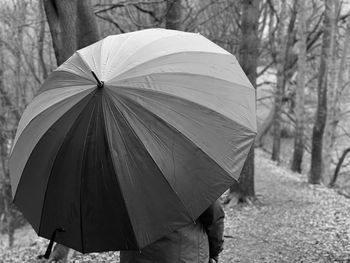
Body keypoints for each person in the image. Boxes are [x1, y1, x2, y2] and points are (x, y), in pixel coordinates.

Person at [120, 199, 225, 263]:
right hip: (185, 256)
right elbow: (214, 218)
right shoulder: (190, 172)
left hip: (136, 256)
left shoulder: (122, 175)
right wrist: (214, 252)